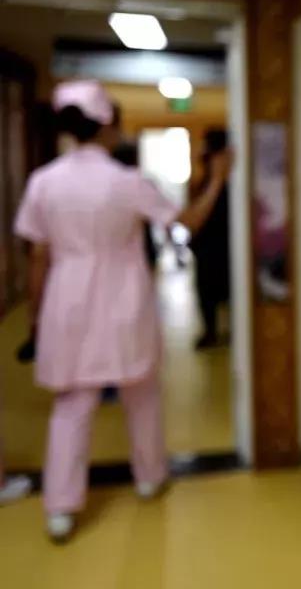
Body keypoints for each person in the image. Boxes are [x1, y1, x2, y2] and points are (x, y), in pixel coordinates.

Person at [14, 80, 233, 542]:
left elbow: (37, 257)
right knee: (141, 393)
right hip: (123, 297)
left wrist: (35, 319)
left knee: (71, 406)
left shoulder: (43, 182)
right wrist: (217, 179)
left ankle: (60, 508)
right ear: (109, 125)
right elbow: (187, 223)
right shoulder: (127, 182)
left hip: (66, 299)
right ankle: (150, 477)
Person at [189, 130, 230, 348]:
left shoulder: (231, 180)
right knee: (206, 290)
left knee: (224, 289)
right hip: (207, 243)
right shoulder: (206, 180)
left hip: (224, 243)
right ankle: (210, 331)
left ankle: (219, 330)